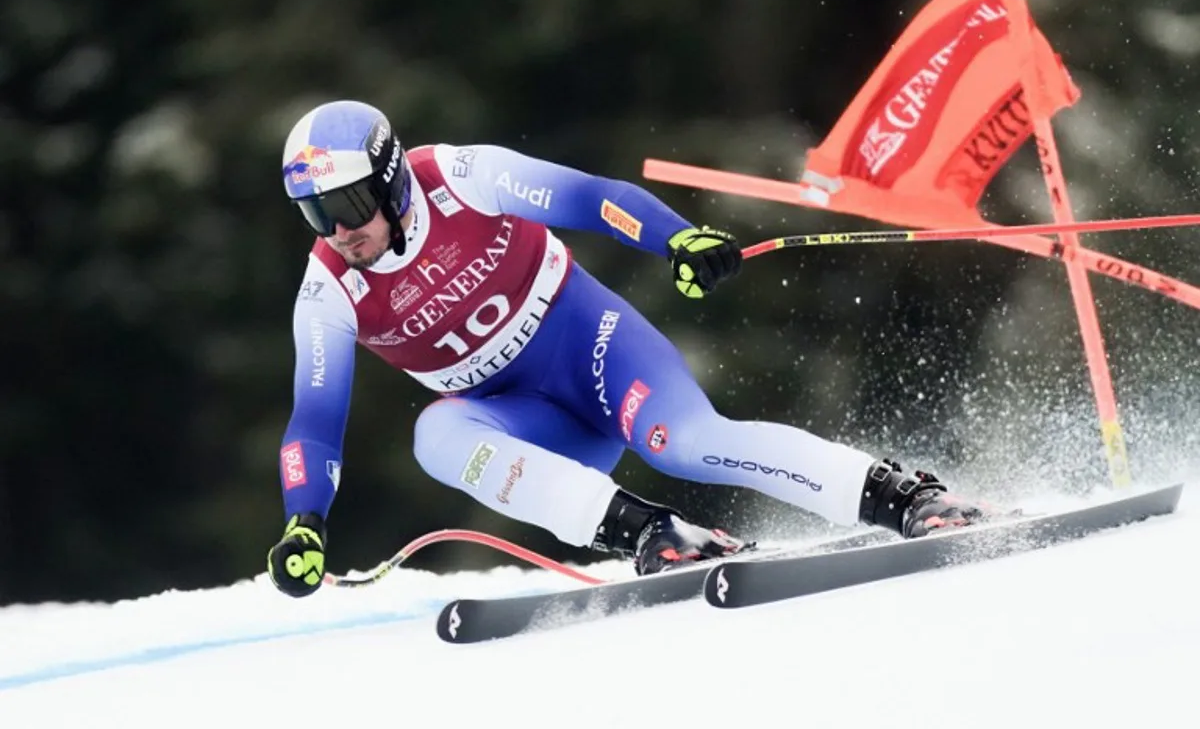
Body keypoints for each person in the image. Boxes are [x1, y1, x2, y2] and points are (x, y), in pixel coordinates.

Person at [266, 99, 986, 598]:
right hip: (525, 418)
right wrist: (306, 521)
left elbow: (590, 197)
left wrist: (675, 237)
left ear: (391, 184)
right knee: (437, 435)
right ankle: (653, 532)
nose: (338, 231)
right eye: (317, 214)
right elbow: (315, 419)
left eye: (350, 206)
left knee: (687, 442)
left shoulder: (457, 175)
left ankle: (906, 496)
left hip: (589, 347)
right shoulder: (328, 289)